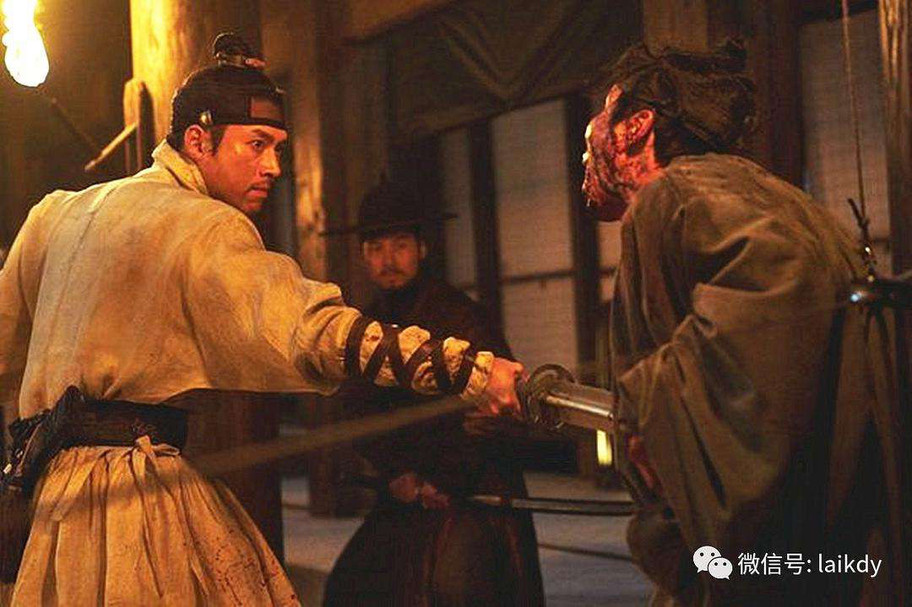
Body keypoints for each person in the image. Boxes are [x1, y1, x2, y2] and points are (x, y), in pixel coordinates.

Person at [0, 34, 523, 606]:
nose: (273, 166)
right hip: (132, 500)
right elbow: (311, 331)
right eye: (256, 145)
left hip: (48, 501)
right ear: (198, 141)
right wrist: (473, 372)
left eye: (278, 148)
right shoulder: (202, 223)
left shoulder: (53, 214)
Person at [581, 41, 903, 605]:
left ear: (635, 127)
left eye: (600, 121)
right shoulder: (766, 190)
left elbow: (781, 284)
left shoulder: (672, 196)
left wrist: (652, 416)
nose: (585, 147)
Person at [322, 180, 545, 606]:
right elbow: (358, 411)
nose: (388, 259)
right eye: (376, 248)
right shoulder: (366, 327)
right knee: (348, 589)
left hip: (472, 488)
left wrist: (441, 478)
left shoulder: (461, 317)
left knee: (454, 588)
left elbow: (495, 418)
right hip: (404, 490)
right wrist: (397, 474)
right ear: (364, 256)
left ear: (421, 249)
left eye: (400, 245)